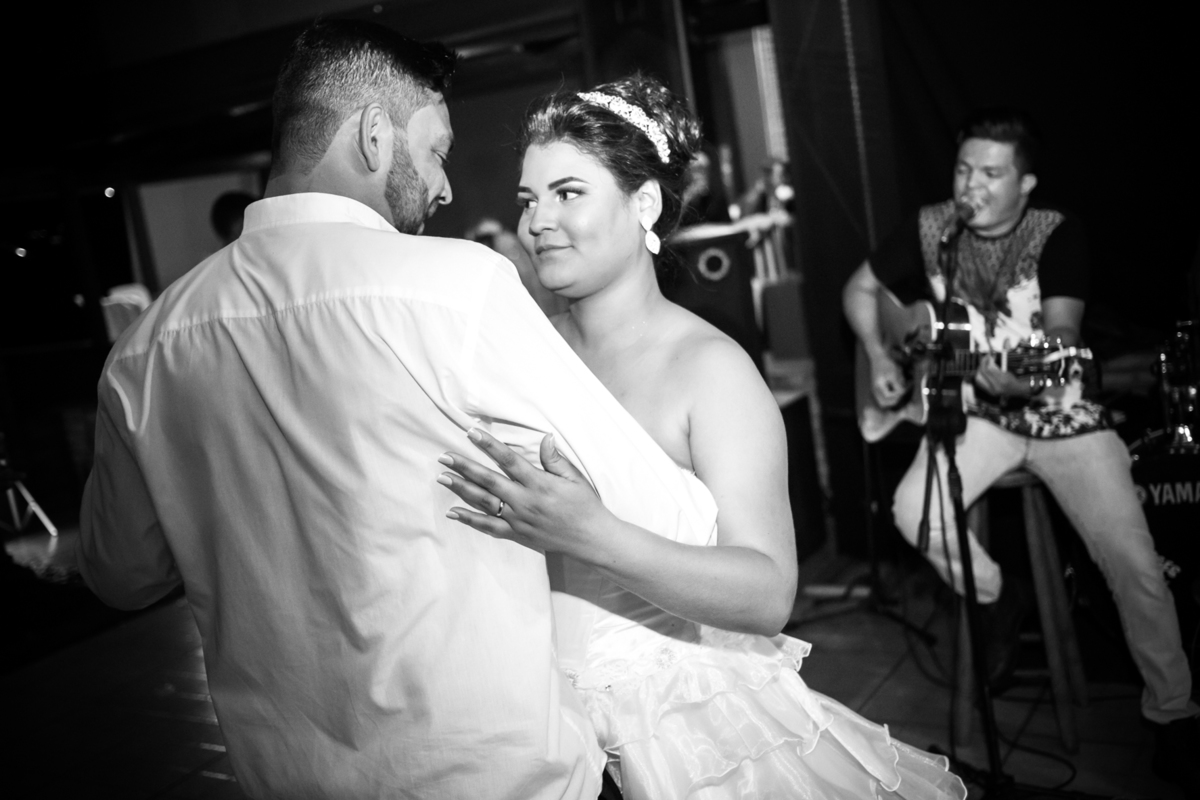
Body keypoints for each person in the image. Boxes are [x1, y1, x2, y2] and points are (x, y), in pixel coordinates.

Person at [77, 20, 722, 799]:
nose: (446, 186)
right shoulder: (456, 289)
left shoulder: (145, 351)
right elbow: (657, 508)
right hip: (490, 777)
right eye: (437, 150)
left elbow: (118, 575)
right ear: (375, 137)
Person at [437, 75, 966, 800]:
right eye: (529, 200)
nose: (537, 222)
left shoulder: (710, 370)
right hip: (539, 718)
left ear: (644, 205)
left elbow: (767, 592)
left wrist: (589, 533)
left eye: (569, 194)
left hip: (684, 729)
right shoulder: (523, 357)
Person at [842, 108, 1199, 793]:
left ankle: (1175, 715)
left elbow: (1060, 331)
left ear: (1025, 183)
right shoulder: (930, 229)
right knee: (914, 508)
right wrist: (880, 351)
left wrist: (1030, 368)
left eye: (991, 173)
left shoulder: (1056, 234)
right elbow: (858, 288)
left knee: (1133, 560)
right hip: (975, 415)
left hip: (1060, 413)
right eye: (963, 169)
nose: (971, 185)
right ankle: (994, 596)